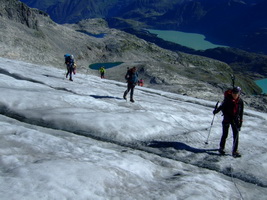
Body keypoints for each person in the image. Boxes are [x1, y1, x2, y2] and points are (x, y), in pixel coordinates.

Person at [213, 86, 244, 157]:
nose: (234, 94)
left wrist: (241, 122)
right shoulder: (228, 99)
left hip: (235, 119)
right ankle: (221, 148)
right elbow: (222, 107)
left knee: (236, 135)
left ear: (239, 94)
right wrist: (216, 111)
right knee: (225, 134)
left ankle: (235, 151)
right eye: (233, 93)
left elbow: (241, 112)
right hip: (227, 118)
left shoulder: (240, 101)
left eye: (236, 93)